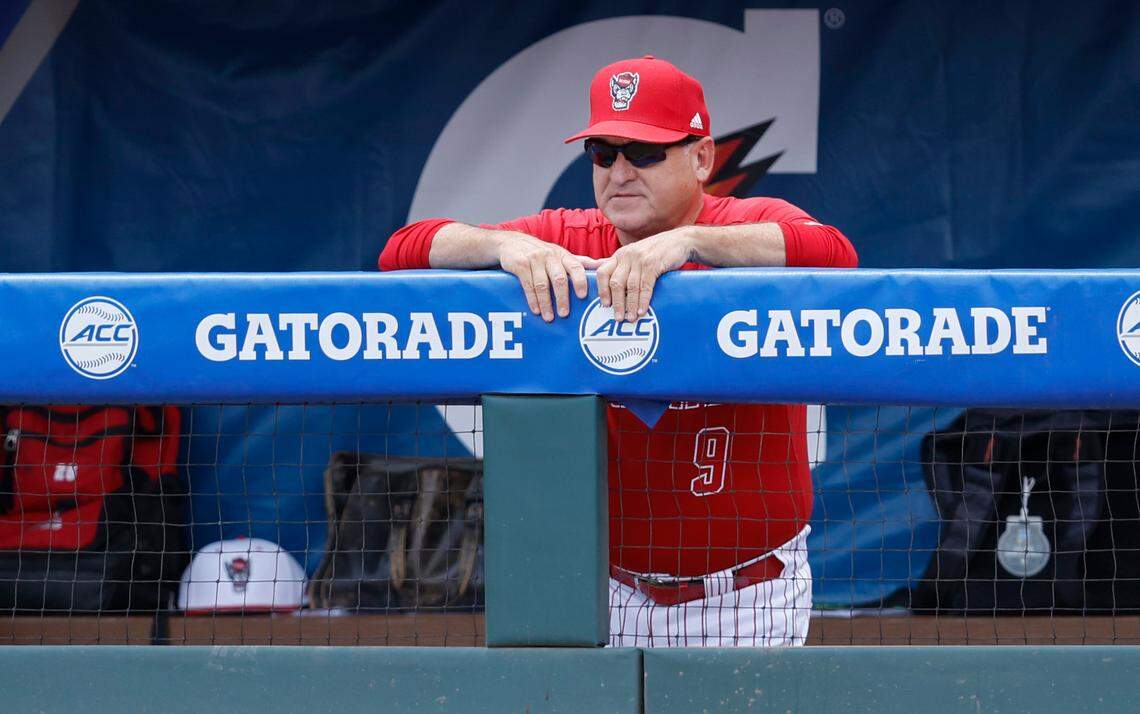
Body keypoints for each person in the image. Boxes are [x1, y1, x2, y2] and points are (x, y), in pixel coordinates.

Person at [379, 55, 857, 646]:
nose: (621, 172)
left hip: (748, 595)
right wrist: (501, 246)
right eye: (604, 154)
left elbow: (833, 253)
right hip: (606, 593)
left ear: (702, 157)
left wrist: (689, 242)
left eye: (646, 152)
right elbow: (402, 250)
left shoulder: (745, 222)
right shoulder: (569, 236)